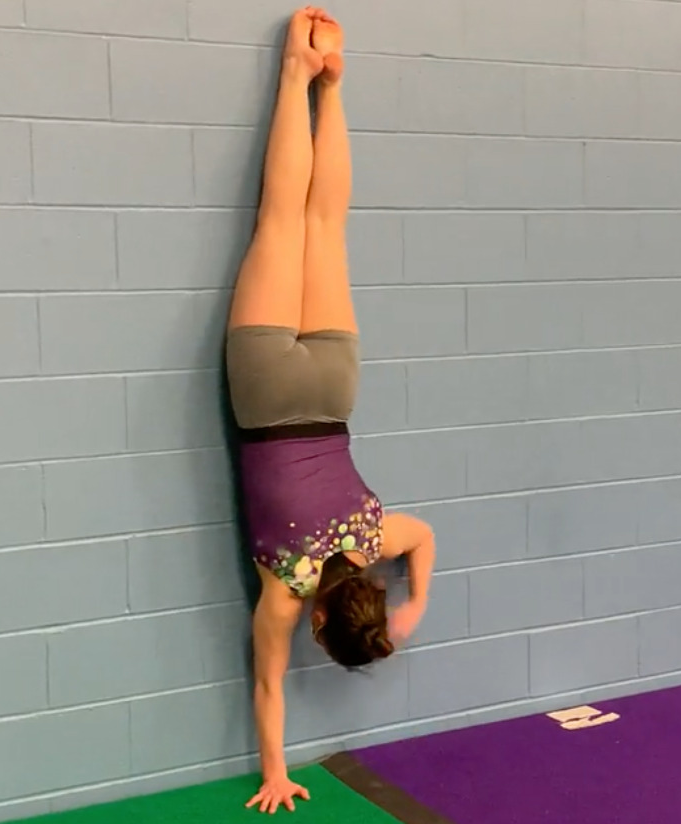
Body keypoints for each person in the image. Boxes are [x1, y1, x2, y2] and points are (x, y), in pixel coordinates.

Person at [224, 7, 438, 815]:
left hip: (333, 390)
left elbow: (428, 539)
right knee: (286, 218)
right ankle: (295, 75)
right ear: (320, 628)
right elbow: (266, 687)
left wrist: (415, 601)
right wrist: (275, 772)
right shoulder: (286, 589)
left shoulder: (376, 536)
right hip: (269, 396)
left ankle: (336, 87)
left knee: (324, 225)